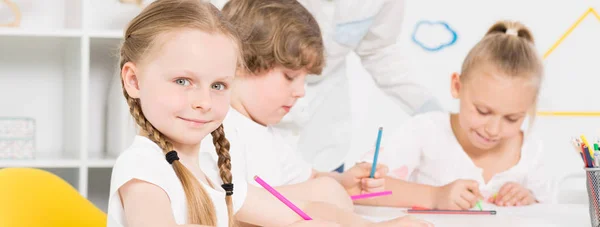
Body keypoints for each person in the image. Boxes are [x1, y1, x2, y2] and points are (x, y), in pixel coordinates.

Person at [107, 1, 432, 226]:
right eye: (183, 81)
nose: (204, 101)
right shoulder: (142, 166)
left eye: (218, 85)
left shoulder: (209, 169)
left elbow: (295, 212)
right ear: (133, 81)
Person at [354, 21, 554, 210]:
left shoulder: (531, 152)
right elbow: (357, 189)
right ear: (457, 86)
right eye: (482, 111)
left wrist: (530, 199)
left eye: (512, 119)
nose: (493, 129)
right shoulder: (425, 132)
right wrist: (435, 196)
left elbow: (551, 212)